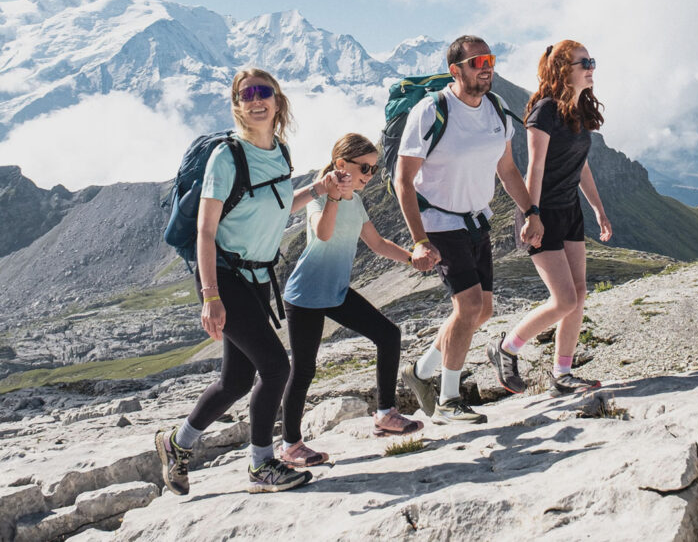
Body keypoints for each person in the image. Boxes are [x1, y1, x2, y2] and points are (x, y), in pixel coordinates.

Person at [155, 67, 352, 496]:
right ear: (237, 104)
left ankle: (177, 444)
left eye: (264, 92)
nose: (257, 100)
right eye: (247, 94)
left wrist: (318, 189)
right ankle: (262, 464)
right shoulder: (226, 158)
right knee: (277, 366)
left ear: (278, 101)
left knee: (237, 380)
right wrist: (209, 296)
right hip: (224, 277)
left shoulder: (279, 151)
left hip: (257, 278)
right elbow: (206, 231)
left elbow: (277, 209)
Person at [396, 35, 542, 424]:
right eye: (477, 62)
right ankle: (447, 399)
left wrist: (531, 211)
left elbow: (507, 169)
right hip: (441, 224)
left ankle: (422, 370)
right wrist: (419, 240)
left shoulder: (496, 107)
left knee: (481, 310)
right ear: (455, 70)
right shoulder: (431, 111)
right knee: (470, 307)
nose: (486, 67)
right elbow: (403, 180)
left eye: (490, 59)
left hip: (477, 220)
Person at [280, 133, 422, 467]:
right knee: (303, 370)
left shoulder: (356, 202)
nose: (370, 176)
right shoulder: (317, 198)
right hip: (305, 295)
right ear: (341, 164)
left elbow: (377, 243)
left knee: (389, 335)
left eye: (373, 169)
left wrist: (412, 258)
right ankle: (290, 446)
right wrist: (332, 197)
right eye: (365, 168)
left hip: (337, 291)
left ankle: (386, 414)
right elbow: (324, 233)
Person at [487, 41, 612, 397]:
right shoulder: (543, 112)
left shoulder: (577, 109)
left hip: (570, 211)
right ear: (562, 69)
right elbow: (535, 168)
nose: (590, 67)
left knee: (580, 292)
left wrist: (599, 210)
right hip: (543, 213)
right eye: (583, 62)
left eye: (592, 60)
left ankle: (563, 373)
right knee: (564, 299)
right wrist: (532, 214)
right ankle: (506, 348)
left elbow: (581, 166)